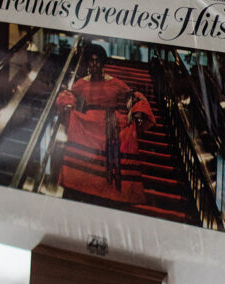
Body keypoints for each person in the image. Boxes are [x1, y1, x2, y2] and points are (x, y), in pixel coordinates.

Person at [55, 43, 156, 205]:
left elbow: (132, 96)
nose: (94, 64)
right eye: (91, 61)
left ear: (102, 63)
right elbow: (69, 94)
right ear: (88, 63)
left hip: (111, 125)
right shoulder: (81, 83)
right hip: (88, 124)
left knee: (112, 158)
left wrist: (136, 111)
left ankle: (112, 193)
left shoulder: (115, 83)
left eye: (97, 61)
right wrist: (68, 104)